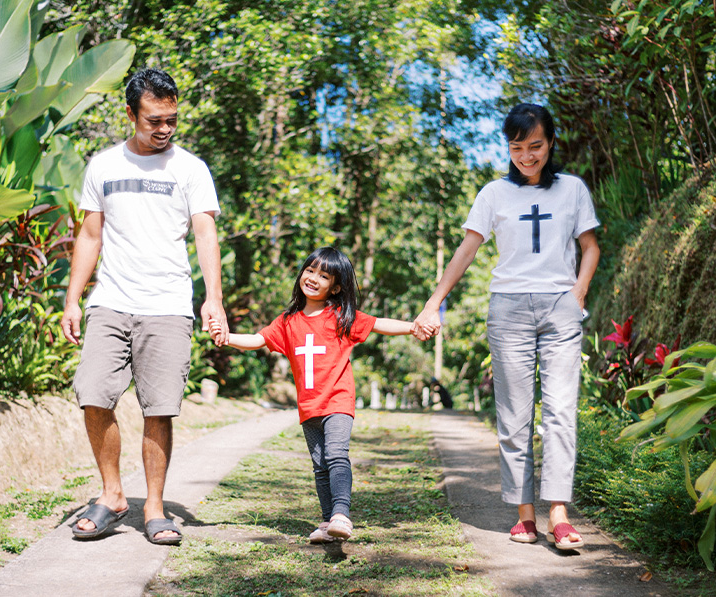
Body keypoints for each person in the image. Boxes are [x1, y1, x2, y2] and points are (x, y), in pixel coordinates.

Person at [414, 103, 600, 550]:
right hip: (509, 311)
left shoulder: (572, 189)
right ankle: (524, 515)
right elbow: (467, 250)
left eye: (535, 146)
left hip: (560, 310)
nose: (527, 156)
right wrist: (433, 303)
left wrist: (577, 294)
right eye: (517, 148)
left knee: (560, 412)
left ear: (551, 143)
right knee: (515, 418)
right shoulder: (494, 194)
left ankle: (558, 514)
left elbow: (589, 247)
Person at [59, 67, 229, 546]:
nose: (165, 128)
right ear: (130, 113)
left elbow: (204, 234)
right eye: (154, 119)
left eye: (172, 119)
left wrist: (212, 299)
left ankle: (154, 507)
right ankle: (113, 495)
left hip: (168, 304)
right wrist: (72, 298)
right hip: (110, 300)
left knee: (159, 408)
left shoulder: (189, 168)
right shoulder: (104, 166)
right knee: (93, 393)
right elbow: (90, 234)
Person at [209, 247, 416, 544]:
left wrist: (413, 327)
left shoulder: (340, 316)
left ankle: (341, 514)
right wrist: (227, 338)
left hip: (338, 401)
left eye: (324, 275)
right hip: (308, 406)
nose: (313, 278)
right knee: (320, 465)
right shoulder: (288, 321)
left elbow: (378, 324)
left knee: (335, 455)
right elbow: (258, 339)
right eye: (310, 270)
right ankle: (328, 521)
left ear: (336, 286)